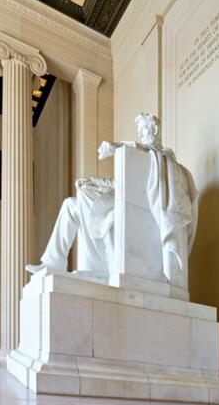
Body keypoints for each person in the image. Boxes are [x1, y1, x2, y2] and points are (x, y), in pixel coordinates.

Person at [26, 113, 198, 283]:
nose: (141, 133)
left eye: (143, 128)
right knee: (70, 204)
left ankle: (95, 269)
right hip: (121, 202)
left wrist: (116, 147)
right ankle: (52, 262)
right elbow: (121, 184)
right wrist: (94, 182)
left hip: (134, 210)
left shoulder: (160, 158)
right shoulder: (147, 158)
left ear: (154, 130)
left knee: (96, 208)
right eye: (139, 130)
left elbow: (139, 156)